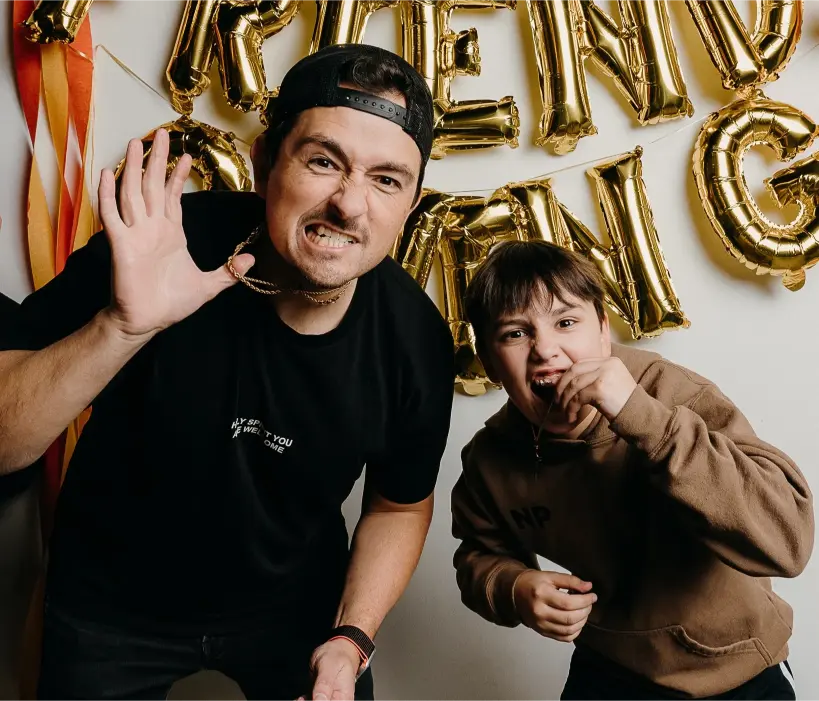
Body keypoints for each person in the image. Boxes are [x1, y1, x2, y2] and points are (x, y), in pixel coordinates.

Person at [0, 44, 455, 701]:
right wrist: (122, 326)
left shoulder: (413, 338)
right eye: (323, 161)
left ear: (410, 203)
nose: (350, 205)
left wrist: (351, 636)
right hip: (111, 600)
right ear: (265, 161)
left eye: (386, 180)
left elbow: (399, 502)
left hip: (294, 607)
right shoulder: (160, 246)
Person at [451, 240, 813, 700]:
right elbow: (478, 552)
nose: (545, 349)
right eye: (515, 334)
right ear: (488, 361)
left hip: (736, 668)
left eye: (566, 322)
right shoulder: (491, 458)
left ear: (604, 331)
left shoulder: (679, 396)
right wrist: (514, 586)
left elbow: (789, 542)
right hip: (610, 667)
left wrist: (641, 417)